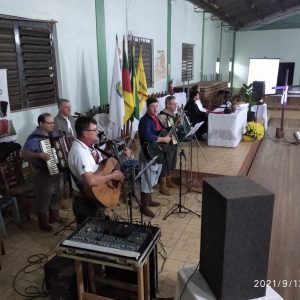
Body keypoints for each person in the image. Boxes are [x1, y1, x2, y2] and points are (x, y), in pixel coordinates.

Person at [67, 116, 124, 226]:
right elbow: (90, 180)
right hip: (84, 202)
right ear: (85, 133)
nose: (98, 132)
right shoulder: (79, 152)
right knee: (88, 235)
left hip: (94, 196)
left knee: (99, 229)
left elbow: (101, 167)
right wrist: (112, 177)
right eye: (95, 130)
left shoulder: (90, 146)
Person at [21, 113, 64, 232]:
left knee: (58, 192)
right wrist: (39, 155)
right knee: (44, 196)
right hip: (42, 172)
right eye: (49, 123)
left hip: (56, 169)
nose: (52, 125)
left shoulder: (54, 134)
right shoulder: (33, 138)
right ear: (41, 124)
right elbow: (23, 154)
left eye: (53, 123)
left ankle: (54, 216)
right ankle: (43, 222)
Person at [138, 96, 171, 217]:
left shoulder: (155, 118)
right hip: (147, 152)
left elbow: (159, 131)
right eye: (152, 106)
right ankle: (143, 206)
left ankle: (149, 200)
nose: (155, 108)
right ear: (147, 107)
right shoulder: (144, 121)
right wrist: (163, 138)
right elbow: (147, 136)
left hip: (155, 151)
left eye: (156, 106)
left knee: (152, 177)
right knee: (147, 178)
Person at [157, 95, 179, 195]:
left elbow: (172, 128)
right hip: (165, 143)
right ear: (168, 104)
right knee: (165, 162)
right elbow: (160, 132)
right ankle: (163, 185)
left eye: (175, 104)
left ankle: (169, 180)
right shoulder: (162, 116)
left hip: (173, 139)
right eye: (174, 104)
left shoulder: (171, 114)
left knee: (172, 159)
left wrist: (179, 123)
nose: (176, 106)